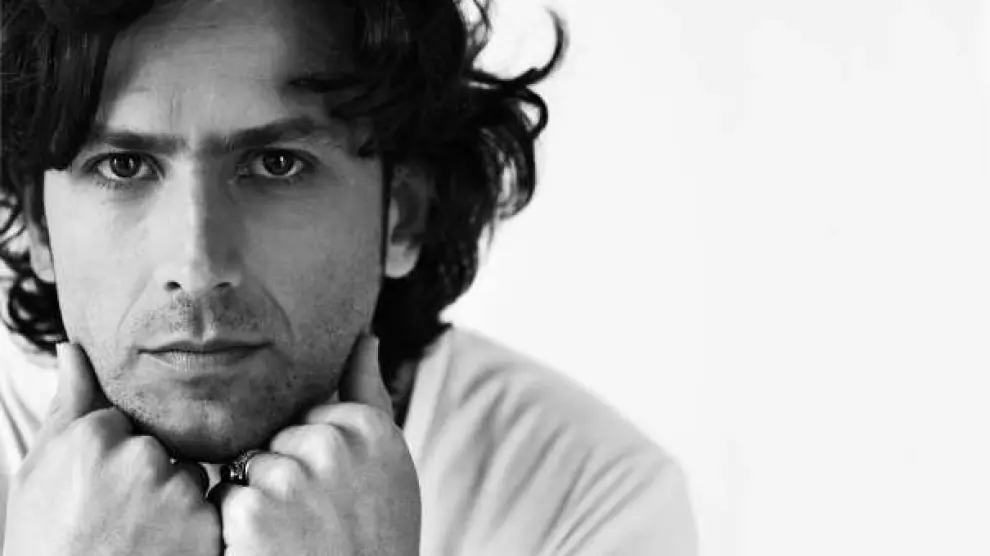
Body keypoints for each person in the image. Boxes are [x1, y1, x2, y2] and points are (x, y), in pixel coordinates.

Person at [0, 0, 699, 553]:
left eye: (276, 164)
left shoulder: (587, 499)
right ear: (37, 223)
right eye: (123, 166)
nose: (198, 267)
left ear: (403, 215)